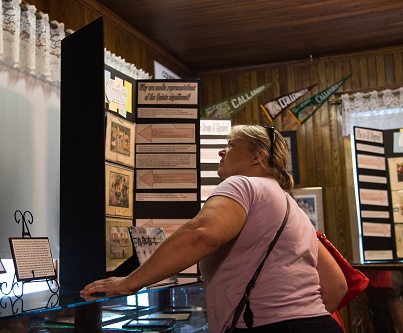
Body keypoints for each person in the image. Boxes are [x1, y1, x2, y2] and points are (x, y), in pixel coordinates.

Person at [81, 124, 347, 333]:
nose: (222, 152)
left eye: (230, 146)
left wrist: (129, 283)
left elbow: (200, 235)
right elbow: (336, 285)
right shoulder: (293, 207)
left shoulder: (243, 185)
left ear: (257, 156)